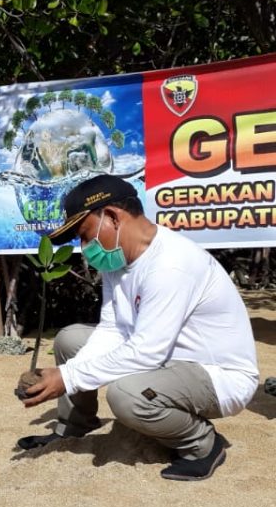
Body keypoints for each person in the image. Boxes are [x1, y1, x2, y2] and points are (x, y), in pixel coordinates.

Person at [17, 174, 259, 481]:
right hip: (167, 358)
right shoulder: (117, 260)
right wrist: (69, 374)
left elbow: (146, 352)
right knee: (70, 340)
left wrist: (69, 377)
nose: (84, 247)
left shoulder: (171, 265)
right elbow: (113, 329)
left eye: (86, 234)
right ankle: (75, 427)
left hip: (215, 375)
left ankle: (201, 444)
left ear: (113, 218)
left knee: (126, 395)